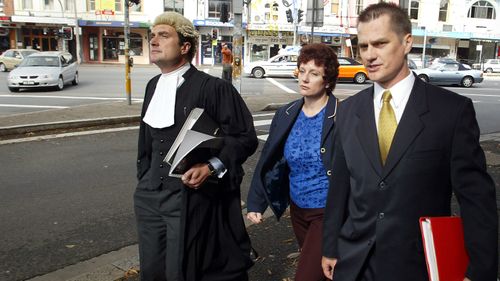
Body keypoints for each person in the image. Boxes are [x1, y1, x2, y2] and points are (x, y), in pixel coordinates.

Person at [321, 3, 498, 281]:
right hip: (354, 262)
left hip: (417, 265)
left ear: (406, 43)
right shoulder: (347, 111)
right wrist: (330, 246)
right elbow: (340, 187)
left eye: (380, 43)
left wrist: (479, 271)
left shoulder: (451, 111)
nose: (369, 55)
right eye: (363, 46)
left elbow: (476, 199)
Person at [134, 12, 258, 281]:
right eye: (152, 35)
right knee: (152, 271)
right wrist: (143, 179)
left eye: (164, 35)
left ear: (185, 46)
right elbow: (146, 141)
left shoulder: (213, 88)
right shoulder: (152, 85)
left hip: (188, 198)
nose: (154, 40)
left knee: (184, 270)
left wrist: (211, 166)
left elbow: (245, 137)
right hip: (149, 195)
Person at [247, 43, 340, 281]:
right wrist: (256, 202)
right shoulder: (287, 113)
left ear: (327, 81)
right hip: (298, 209)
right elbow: (269, 157)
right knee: (325, 272)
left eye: (314, 73)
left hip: (328, 212)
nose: (305, 78)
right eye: (302, 70)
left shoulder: (342, 115)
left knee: (307, 276)